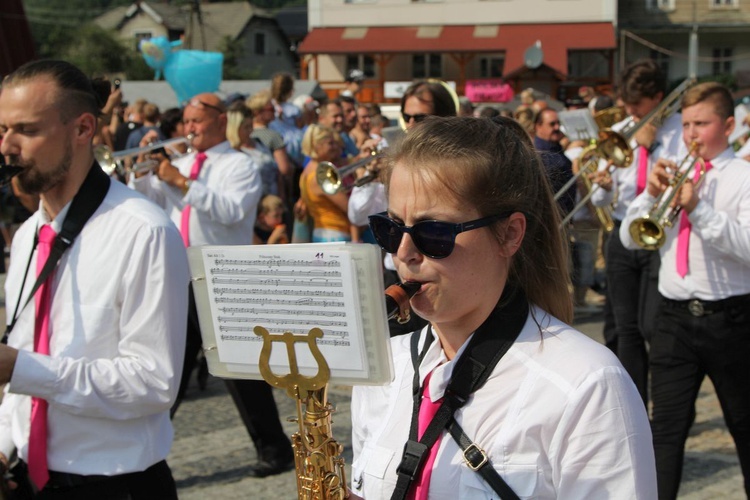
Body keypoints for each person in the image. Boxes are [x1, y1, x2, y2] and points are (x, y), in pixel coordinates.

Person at [350, 116, 656, 498]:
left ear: (510, 234)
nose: (403, 253)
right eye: (391, 229)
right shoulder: (385, 369)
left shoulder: (587, 384)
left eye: (434, 232)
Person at [0, 59, 189, 498]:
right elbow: (26, 359)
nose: (7, 147)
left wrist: (21, 368)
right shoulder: (30, 234)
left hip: (116, 486)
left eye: (26, 131)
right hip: (31, 479)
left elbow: (153, 382)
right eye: (2, 131)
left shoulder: (144, 230)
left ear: (83, 129)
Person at [132, 93, 294, 477]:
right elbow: (146, 203)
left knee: (238, 371)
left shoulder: (241, 165)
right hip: (175, 274)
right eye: (186, 121)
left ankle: (274, 448)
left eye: (196, 122)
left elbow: (231, 212)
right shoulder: (181, 162)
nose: (189, 129)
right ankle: (141, 449)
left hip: (221, 278)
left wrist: (183, 183)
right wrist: (142, 171)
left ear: (221, 121)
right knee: (168, 365)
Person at [620, 82, 750, 500]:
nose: (692, 135)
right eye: (688, 124)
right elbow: (629, 238)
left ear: (728, 126)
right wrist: (650, 197)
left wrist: (700, 210)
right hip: (674, 318)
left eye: (703, 124)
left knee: (745, 429)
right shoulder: (674, 170)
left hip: (732, 318)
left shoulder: (743, 177)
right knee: (665, 433)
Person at [590, 59, 685, 405]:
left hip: (661, 237)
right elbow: (602, 195)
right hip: (621, 233)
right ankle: (634, 405)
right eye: (626, 103)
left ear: (658, 98)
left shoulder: (679, 129)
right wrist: (601, 185)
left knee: (652, 325)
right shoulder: (622, 129)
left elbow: (679, 179)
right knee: (625, 327)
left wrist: (650, 145)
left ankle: (667, 399)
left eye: (637, 105)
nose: (630, 111)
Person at [299, 124, 353, 242]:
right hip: (335, 235)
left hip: (324, 233)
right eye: (330, 143)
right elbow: (349, 208)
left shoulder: (307, 171)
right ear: (316, 146)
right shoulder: (320, 176)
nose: (335, 147)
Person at [533, 108, 575, 216]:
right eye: (552, 124)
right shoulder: (541, 154)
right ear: (538, 126)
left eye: (558, 123)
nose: (557, 127)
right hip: (554, 219)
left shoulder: (555, 148)